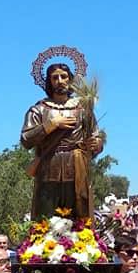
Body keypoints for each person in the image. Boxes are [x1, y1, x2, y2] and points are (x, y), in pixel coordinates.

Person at [20, 62, 103, 220]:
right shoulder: (39, 109)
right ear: (49, 82)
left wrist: (96, 143)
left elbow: (95, 135)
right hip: (49, 166)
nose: (60, 80)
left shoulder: (83, 109)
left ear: (70, 80)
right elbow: (26, 139)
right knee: (45, 215)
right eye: (55, 77)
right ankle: (42, 243)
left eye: (64, 76)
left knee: (79, 214)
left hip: (77, 166)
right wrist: (51, 124)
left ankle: (82, 242)